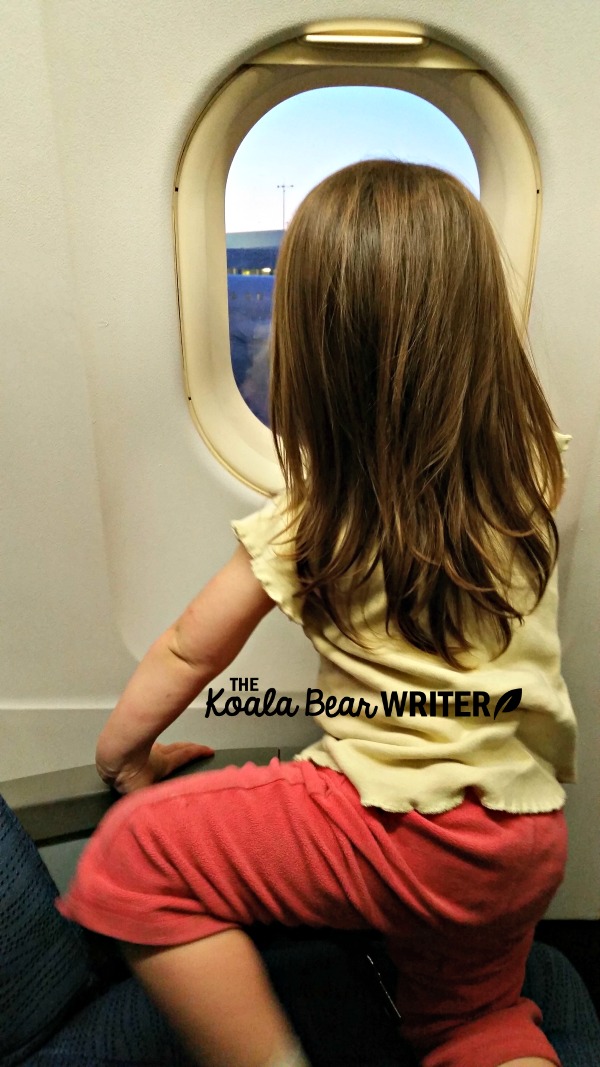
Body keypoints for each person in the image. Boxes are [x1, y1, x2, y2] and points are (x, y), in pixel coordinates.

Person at [56, 160, 576, 1067]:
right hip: (520, 832)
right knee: (469, 1023)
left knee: (135, 856)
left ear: (312, 347)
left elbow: (188, 648)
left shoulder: (312, 523)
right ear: (482, 326)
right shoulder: (533, 476)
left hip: (393, 826)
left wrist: (124, 753)